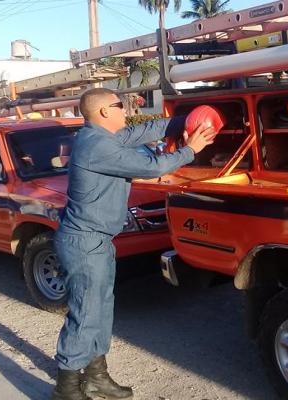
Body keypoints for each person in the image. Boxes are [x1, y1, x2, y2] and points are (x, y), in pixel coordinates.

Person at [51, 88, 215, 400]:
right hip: (84, 242)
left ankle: (96, 376)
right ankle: (66, 389)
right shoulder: (97, 146)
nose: (126, 110)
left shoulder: (105, 137)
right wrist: (190, 149)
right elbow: (151, 168)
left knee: (101, 311)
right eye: (120, 105)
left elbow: (143, 131)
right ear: (103, 112)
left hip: (97, 242)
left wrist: (187, 120)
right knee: (85, 314)